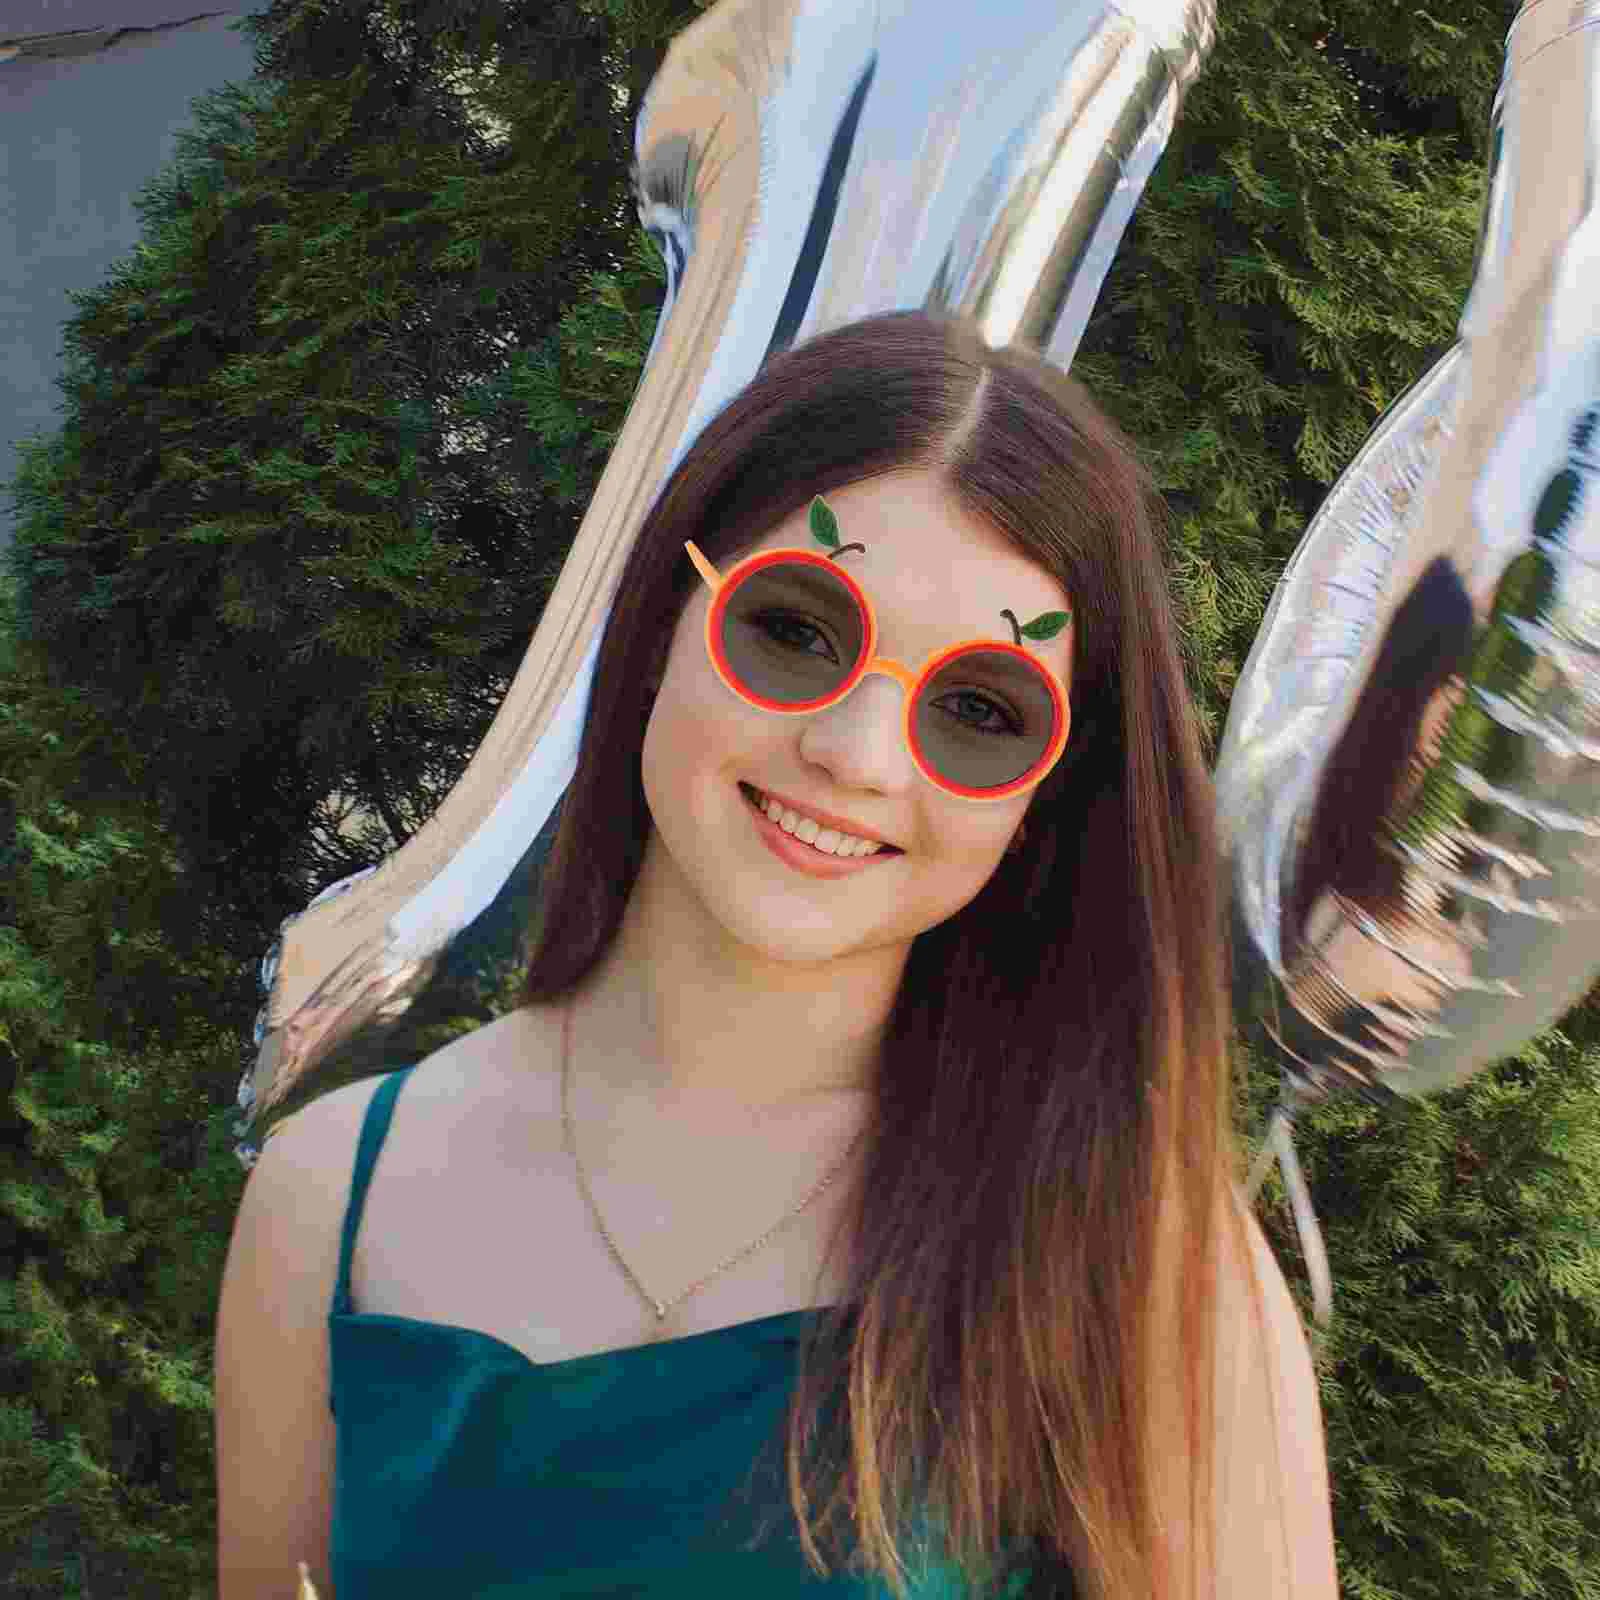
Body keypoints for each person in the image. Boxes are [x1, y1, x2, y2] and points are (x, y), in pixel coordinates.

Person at [215, 310, 1337, 1599]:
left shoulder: (1149, 1271)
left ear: (1049, 792)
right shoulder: (327, 1206)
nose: (856, 757)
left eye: (980, 709)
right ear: (664, 612)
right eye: (798, 630)